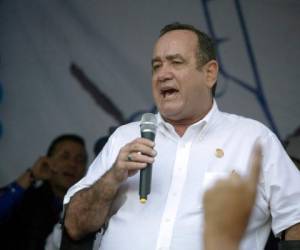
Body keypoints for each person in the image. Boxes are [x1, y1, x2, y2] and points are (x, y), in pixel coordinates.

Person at [62, 23, 300, 250]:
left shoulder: (254, 139)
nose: (162, 74)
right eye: (156, 66)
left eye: (176, 63)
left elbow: (296, 218)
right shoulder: (124, 138)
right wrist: (112, 177)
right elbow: (74, 226)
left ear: (210, 73)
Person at [0, 134, 88, 250]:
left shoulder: (85, 216)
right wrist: (31, 175)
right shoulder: (24, 198)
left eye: (79, 160)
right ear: (48, 161)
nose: (72, 164)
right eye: (65, 157)